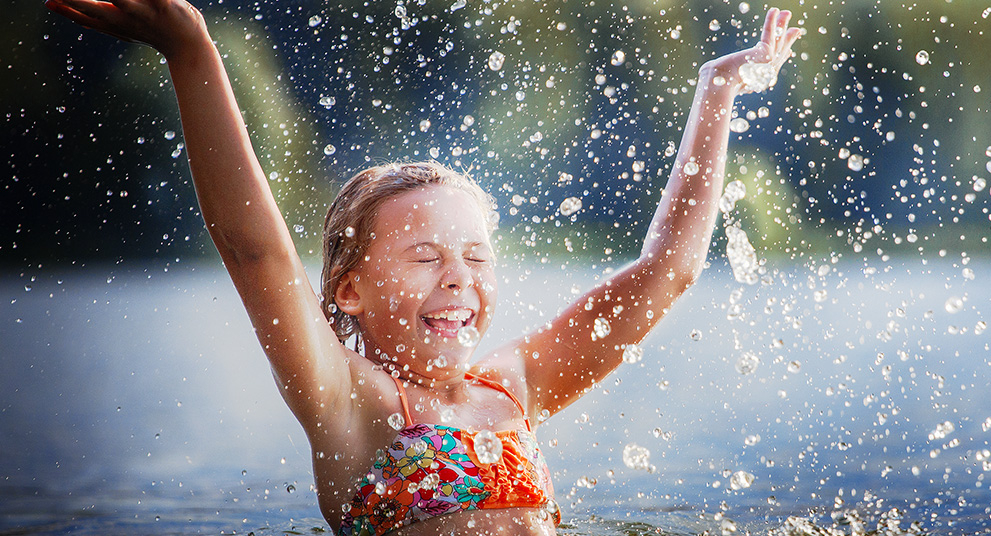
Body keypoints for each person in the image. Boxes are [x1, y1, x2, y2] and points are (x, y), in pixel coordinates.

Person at [44, 0, 803, 533]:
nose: (459, 279)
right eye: (424, 256)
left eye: (476, 257)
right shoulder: (349, 402)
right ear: (351, 288)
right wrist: (192, 50)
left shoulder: (515, 389)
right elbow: (255, 249)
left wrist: (716, 91)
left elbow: (666, 270)